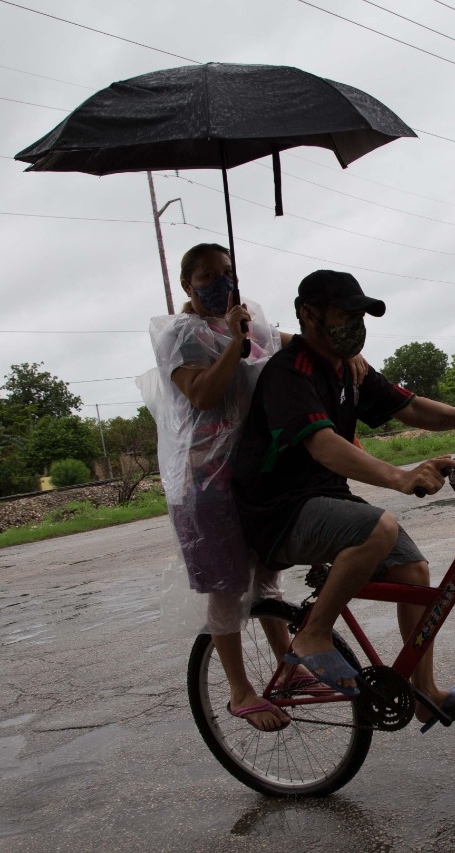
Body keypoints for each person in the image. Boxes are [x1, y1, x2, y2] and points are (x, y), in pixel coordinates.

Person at [231, 269, 455, 721]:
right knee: (379, 526)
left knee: (413, 571)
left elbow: (410, 406)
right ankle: (312, 635)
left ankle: (425, 693)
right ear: (308, 315)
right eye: (344, 313)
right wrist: (400, 477)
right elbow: (322, 444)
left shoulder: (349, 370)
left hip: (324, 500)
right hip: (278, 511)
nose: (355, 323)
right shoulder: (291, 372)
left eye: (360, 314)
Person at [147, 243, 337, 733]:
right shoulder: (179, 335)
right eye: (207, 275)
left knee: (268, 578)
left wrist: (339, 355)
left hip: (255, 471)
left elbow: (289, 344)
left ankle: (289, 670)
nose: (220, 283)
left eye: (226, 272)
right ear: (187, 285)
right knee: (228, 585)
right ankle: (238, 691)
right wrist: (234, 341)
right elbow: (204, 393)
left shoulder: (248, 318)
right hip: (205, 482)